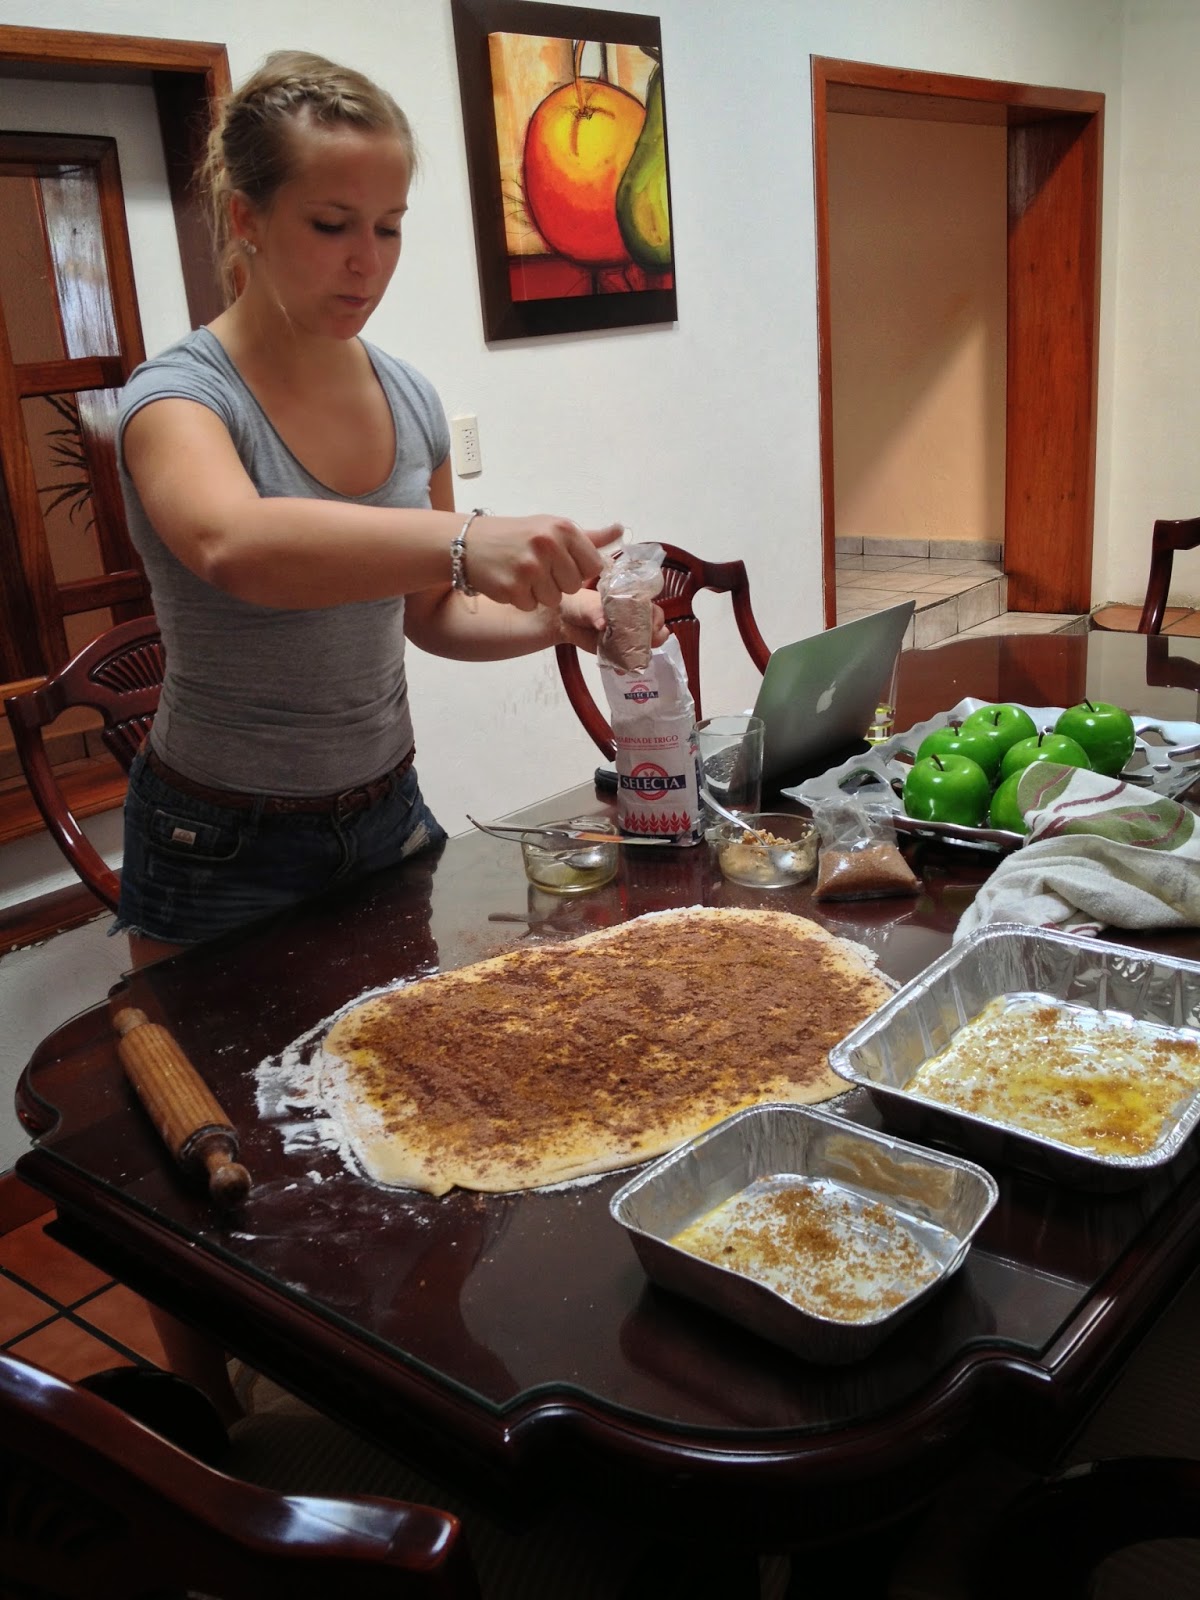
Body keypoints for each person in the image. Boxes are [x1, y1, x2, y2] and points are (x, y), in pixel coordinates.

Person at [115, 48, 646, 962]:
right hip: (217, 840)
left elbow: (432, 613)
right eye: (331, 225)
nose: (368, 263)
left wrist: (562, 618)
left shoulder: (408, 398)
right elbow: (234, 545)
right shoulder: (178, 399)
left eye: (390, 228)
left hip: (386, 811)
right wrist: (463, 538)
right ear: (246, 217)